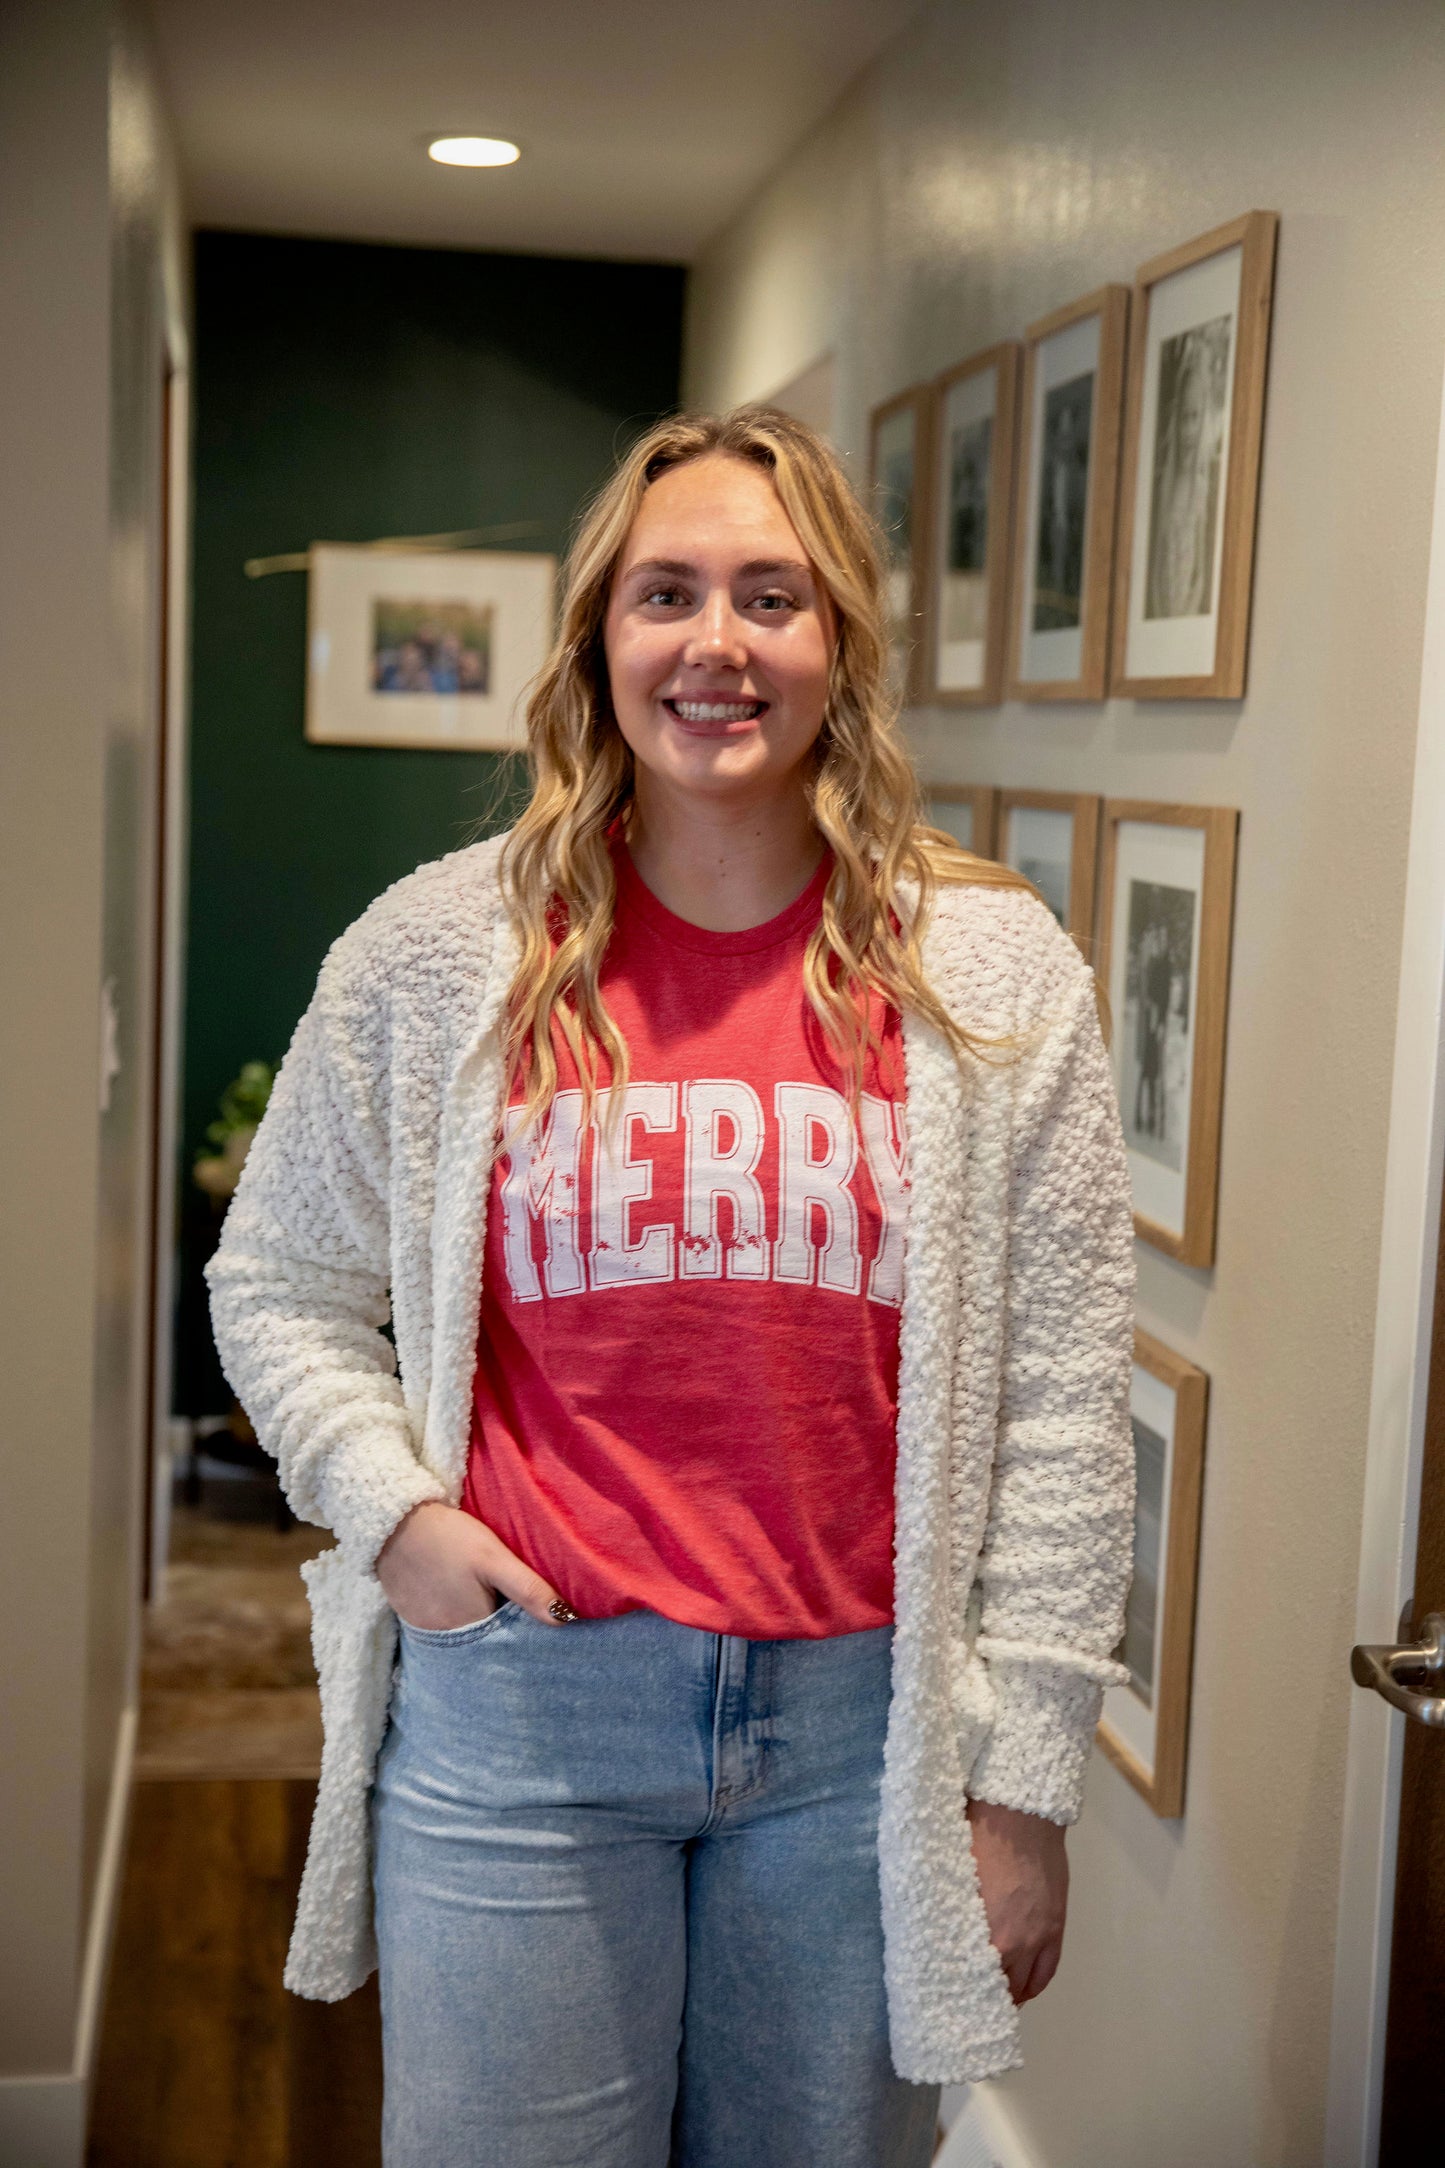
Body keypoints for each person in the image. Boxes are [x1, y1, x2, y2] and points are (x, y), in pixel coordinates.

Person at [207, 407, 1136, 2168]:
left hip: (860, 1743)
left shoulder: (990, 970)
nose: (718, 643)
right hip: (524, 1720)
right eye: (667, 595)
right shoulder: (439, 951)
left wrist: (1024, 1784)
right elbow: (278, 1281)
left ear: (839, 642)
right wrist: (396, 1516)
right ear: (598, 640)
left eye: (771, 597)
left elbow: (1067, 1399)